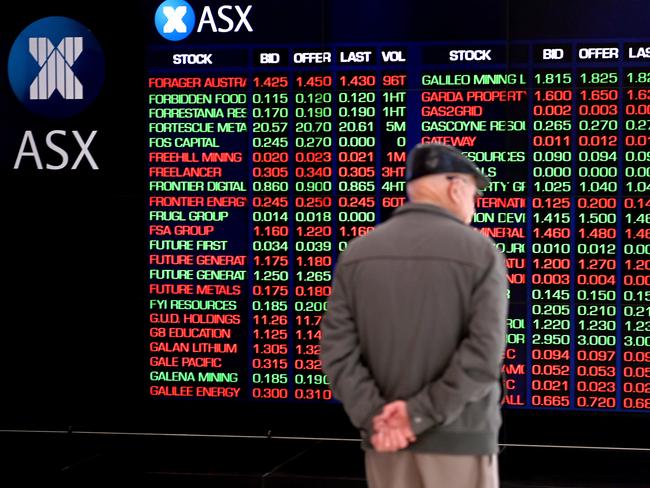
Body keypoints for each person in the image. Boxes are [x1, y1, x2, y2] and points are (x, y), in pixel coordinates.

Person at [319, 142, 509, 488]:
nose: (474, 205)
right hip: (459, 443)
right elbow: (484, 355)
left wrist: (379, 419)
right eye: (474, 195)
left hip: (385, 444)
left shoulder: (357, 253)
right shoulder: (481, 252)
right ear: (456, 188)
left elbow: (336, 351)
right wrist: (415, 416)